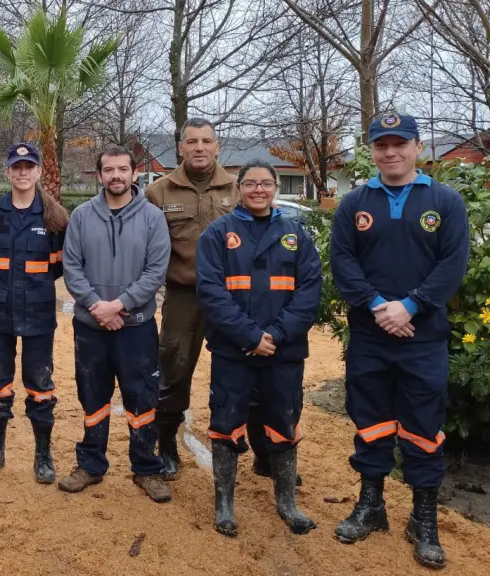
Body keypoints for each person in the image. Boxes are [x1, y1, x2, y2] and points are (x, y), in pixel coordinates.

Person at [330, 113, 469, 569]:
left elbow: (452, 264)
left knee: (423, 426)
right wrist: (377, 306)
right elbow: (342, 261)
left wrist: (410, 306)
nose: (390, 152)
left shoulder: (445, 202)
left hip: (422, 338)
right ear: (371, 150)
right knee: (370, 421)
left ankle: (422, 520)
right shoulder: (354, 203)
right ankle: (371, 506)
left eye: (399, 143)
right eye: (381, 145)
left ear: (417, 147)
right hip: (370, 336)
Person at [195, 160, 322, 537]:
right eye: (250, 183)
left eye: (266, 183)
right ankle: (224, 505)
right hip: (234, 351)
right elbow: (211, 292)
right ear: (239, 188)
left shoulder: (295, 233)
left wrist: (275, 336)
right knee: (226, 424)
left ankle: (286, 502)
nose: (258, 190)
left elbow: (309, 292)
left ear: (276, 187)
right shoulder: (218, 234)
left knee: (283, 422)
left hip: (284, 353)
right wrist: (251, 336)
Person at [59, 146, 172, 502]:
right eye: (109, 170)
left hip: (136, 327)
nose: (116, 176)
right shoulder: (81, 216)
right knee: (93, 395)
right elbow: (71, 267)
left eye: (123, 169)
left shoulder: (153, 218)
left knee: (142, 397)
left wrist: (119, 306)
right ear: (99, 175)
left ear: (135, 173)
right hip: (91, 328)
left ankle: (146, 468)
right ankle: (91, 464)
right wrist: (97, 307)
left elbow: (155, 271)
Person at [0, 143, 68, 484]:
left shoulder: (54, 216)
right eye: (16, 167)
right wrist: (1, 283)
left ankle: (43, 455)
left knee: (40, 383)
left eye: (29, 167)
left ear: (38, 171)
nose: (23, 173)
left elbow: (59, 266)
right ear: (7, 172)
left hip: (38, 310)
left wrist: (32, 285)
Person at [144, 117, 238, 480]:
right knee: (174, 369)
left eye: (206, 141)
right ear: (181, 148)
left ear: (217, 147)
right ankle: (167, 445)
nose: (200, 147)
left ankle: (260, 449)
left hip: (232, 297)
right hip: (184, 296)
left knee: (241, 371)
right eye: (192, 141)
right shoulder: (158, 193)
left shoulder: (237, 189)